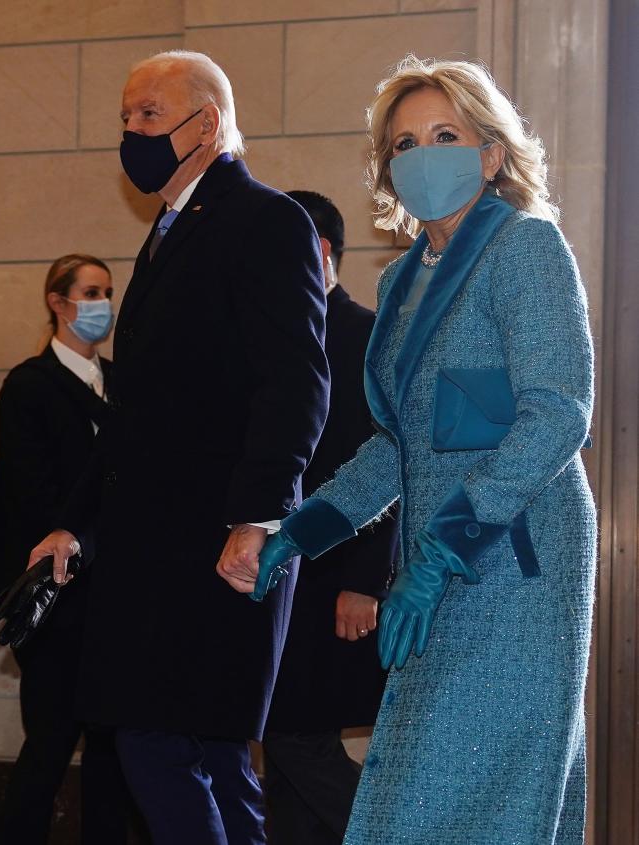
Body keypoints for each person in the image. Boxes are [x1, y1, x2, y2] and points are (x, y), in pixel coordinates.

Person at [242, 57, 596, 844]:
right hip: (439, 566)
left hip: (517, 562)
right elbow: (396, 446)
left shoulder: (526, 247)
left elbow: (557, 414)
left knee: (483, 787)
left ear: (491, 153)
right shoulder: (405, 280)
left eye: (445, 134)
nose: (422, 154)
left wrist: (438, 558)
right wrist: (300, 531)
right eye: (403, 143)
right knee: (416, 787)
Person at [25, 50, 331, 844]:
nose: (132, 132)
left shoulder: (266, 219)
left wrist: (260, 515)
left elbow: (295, 382)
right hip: (155, 547)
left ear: (208, 122)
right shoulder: (169, 230)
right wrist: (76, 523)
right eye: (126, 117)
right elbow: (137, 416)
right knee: (202, 749)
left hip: (218, 540)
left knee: (160, 740)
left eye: (149, 115)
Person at [260, 190, 398, 845]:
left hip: (337, 579)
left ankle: (389, 834)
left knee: (290, 733)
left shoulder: (366, 335)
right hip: (284, 574)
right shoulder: (280, 336)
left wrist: (364, 581)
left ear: (319, 252)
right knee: (286, 754)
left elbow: (387, 461)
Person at [0, 255, 131, 844]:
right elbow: (33, 492)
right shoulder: (29, 385)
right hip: (62, 595)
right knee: (48, 745)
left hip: (117, 600)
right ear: (57, 302)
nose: (102, 304)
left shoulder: (122, 382)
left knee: (112, 751)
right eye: (90, 292)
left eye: (107, 292)